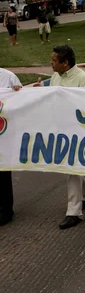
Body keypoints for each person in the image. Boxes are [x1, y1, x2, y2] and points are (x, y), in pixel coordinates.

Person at [40, 45, 85, 229]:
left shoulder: (83, 80)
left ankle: (74, 212)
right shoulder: (57, 76)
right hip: (61, 129)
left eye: (54, 60)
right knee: (74, 166)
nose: (51, 63)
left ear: (65, 63)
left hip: (78, 132)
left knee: (71, 167)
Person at [0, 68, 22, 226]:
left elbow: (24, 102)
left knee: (2, 173)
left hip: (4, 133)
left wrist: (18, 92)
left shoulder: (8, 77)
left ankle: (6, 210)